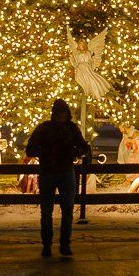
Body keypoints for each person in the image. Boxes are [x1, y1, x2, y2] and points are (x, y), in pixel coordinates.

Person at [25, 99, 90, 257]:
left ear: (67, 114)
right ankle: (47, 245)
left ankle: (64, 244)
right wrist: (49, 152)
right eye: (58, 113)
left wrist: (75, 152)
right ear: (54, 114)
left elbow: (84, 147)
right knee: (47, 211)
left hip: (65, 172)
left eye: (63, 113)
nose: (61, 116)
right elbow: (30, 149)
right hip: (48, 172)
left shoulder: (71, 129)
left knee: (67, 210)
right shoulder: (45, 128)